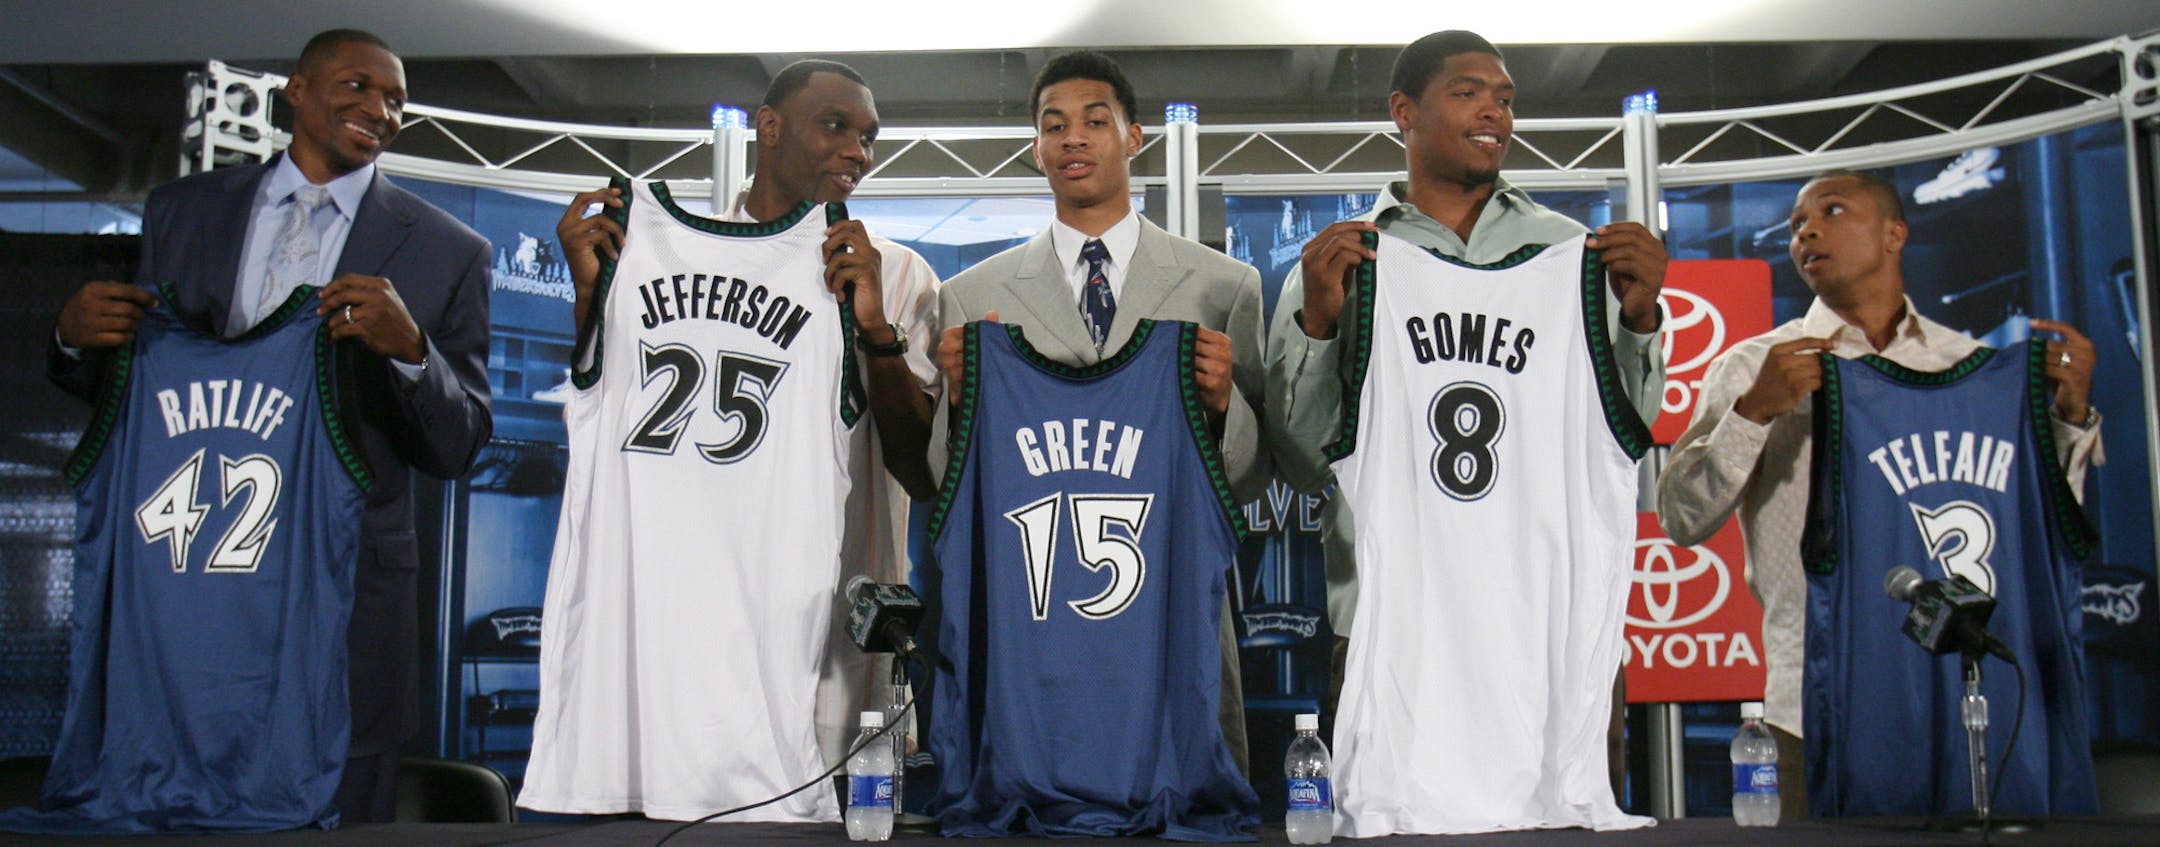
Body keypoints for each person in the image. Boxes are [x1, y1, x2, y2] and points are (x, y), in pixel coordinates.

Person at [46, 28, 492, 824]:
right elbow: (142, 392)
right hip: (186, 599)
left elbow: (459, 442)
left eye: (396, 101)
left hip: (345, 611)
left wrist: (414, 351)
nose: (379, 110)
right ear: (296, 88)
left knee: (342, 820)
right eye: (358, 85)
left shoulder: (449, 250)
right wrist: (73, 340)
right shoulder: (182, 212)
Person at [1263, 30, 1665, 831]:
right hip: (1392, 630)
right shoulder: (1347, 261)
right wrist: (1315, 320)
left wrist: (1640, 316)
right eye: (1470, 91)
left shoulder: (1569, 254)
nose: (1495, 110)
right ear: (1404, 112)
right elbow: (1305, 460)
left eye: (1507, 97)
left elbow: (1625, 433)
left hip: (1542, 628)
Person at [528, 59, 941, 818]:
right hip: (670, 632)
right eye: (837, 126)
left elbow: (922, 465)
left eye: (870, 138)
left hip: (834, 621)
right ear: (769, 126)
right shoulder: (639, 255)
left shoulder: (896, 272)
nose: (859, 152)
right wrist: (593, 295)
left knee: (847, 807)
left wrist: (874, 330)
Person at [1656, 169, 2101, 819]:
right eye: (1796, 224)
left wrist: (2069, 418)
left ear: (1896, 233)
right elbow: (1681, 517)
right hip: (1810, 711)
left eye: (1832, 211)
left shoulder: (1967, 363)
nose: (1807, 229)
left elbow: (2043, 524)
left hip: (1963, 708)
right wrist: (1752, 413)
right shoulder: (1756, 366)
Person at [932, 50, 1270, 777]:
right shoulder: (970, 296)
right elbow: (942, 486)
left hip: (1169, 633)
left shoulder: (1224, 286)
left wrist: (1221, 404)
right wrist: (961, 400)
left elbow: (1248, 480)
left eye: (1094, 121)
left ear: (1134, 136)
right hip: (1032, 634)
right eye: (1054, 127)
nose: (1073, 139)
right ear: (1037, 149)